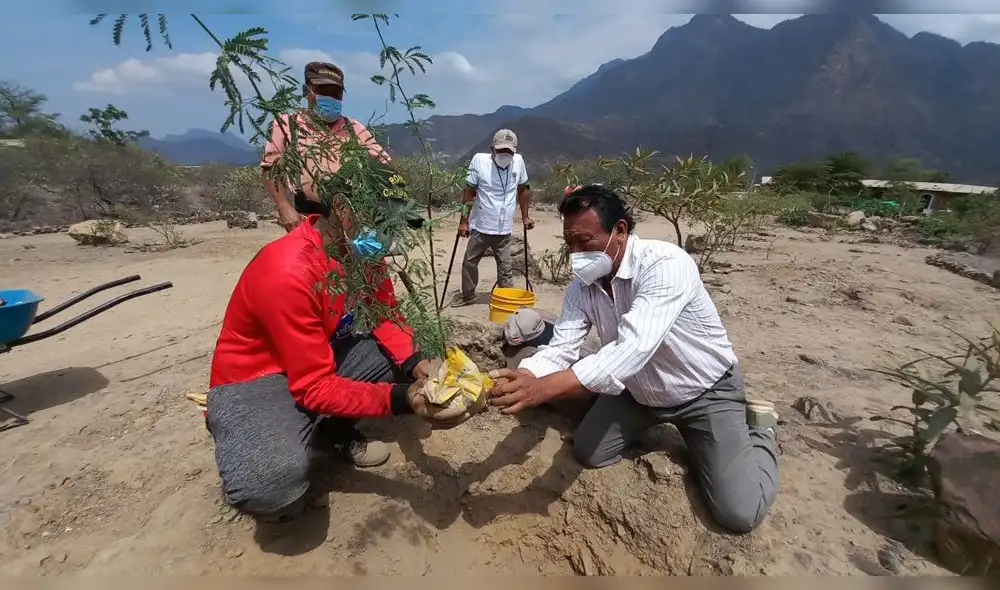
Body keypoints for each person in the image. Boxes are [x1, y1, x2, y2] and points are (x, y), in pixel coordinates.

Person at [487, 185, 780, 534]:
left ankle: (762, 431)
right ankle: (652, 424)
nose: (577, 254)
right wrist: (525, 376)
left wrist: (543, 389)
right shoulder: (581, 287)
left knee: (739, 513)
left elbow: (633, 348)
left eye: (585, 241)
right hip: (639, 391)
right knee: (589, 451)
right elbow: (561, 346)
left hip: (704, 391)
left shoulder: (665, 264)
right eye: (570, 245)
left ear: (620, 231)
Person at [206, 205, 471, 523]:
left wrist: (414, 363)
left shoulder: (361, 251)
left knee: (411, 347)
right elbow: (313, 386)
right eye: (386, 221)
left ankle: (330, 428)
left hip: (318, 357)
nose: (392, 236)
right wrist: (404, 399)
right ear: (346, 210)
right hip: (257, 380)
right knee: (270, 484)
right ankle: (257, 440)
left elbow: (384, 312)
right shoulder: (288, 270)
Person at [260, 61, 392, 233]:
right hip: (309, 220)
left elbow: (385, 167)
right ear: (307, 91)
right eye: (323, 91)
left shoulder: (353, 128)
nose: (330, 98)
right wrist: (284, 206)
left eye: (336, 93)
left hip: (354, 220)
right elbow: (271, 168)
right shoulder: (287, 125)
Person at [449, 129, 534, 307]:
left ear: (515, 151)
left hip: (504, 229)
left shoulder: (518, 162)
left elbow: (523, 190)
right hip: (481, 226)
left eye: (509, 151)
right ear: (492, 149)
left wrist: (526, 217)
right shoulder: (479, 161)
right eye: (501, 150)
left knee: (505, 267)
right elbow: (469, 192)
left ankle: (506, 299)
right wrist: (463, 222)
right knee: (470, 262)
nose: (505, 154)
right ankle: (468, 296)